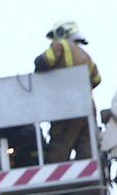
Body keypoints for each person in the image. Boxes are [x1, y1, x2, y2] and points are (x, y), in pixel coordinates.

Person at [35, 20, 103, 162]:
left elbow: (44, 61)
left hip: (67, 108)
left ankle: (53, 179)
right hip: (87, 110)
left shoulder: (61, 45)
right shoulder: (86, 56)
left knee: (58, 150)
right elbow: (97, 79)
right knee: (86, 152)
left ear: (61, 33)